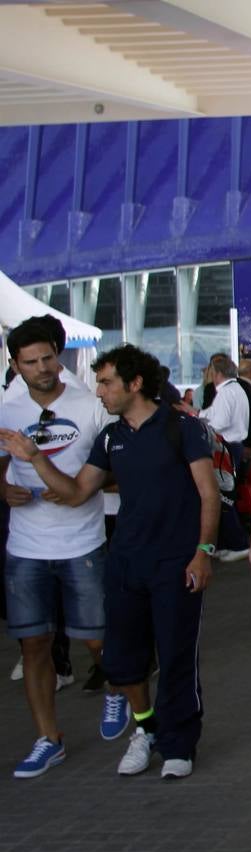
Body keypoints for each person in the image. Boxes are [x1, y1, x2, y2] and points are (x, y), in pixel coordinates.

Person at [1, 345, 220, 780]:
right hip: (124, 563)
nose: (98, 391)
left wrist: (203, 552)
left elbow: (208, 494)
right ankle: (147, 729)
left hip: (176, 564)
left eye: (106, 382)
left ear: (134, 384)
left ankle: (179, 744)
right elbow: (78, 491)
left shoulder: (182, 428)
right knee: (120, 660)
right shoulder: (110, 437)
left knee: (176, 659)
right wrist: (35, 458)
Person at [1, 317, 121, 778]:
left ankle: (117, 689)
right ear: (16, 365)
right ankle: (48, 738)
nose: (43, 368)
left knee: (97, 638)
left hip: (83, 542)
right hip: (26, 546)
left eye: (48, 357)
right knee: (34, 645)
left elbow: (117, 467)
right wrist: (3, 490)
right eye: (31, 362)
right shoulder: (7, 411)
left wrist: (86, 487)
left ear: (58, 353)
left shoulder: (90, 406)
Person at [197, 354, 251, 563]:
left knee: (224, 498)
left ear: (217, 373)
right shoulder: (236, 390)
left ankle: (237, 543)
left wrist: (202, 422)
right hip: (233, 447)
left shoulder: (227, 393)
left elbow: (219, 422)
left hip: (225, 448)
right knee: (225, 496)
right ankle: (231, 542)